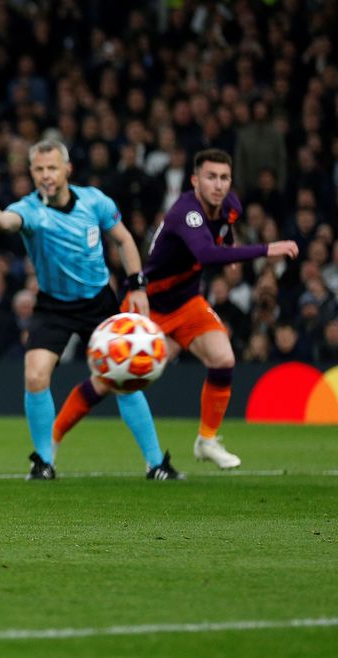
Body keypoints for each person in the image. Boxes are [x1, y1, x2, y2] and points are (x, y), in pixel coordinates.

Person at [51, 149, 299, 469]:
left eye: (224, 178)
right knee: (108, 381)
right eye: (211, 177)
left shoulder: (231, 207)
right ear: (195, 181)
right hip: (148, 305)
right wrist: (267, 249)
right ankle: (52, 440)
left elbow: (223, 237)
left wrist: (230, 250)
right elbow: (207, 254)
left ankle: (207, 440)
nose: (218, 185)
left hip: (187, 301)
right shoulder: (186, 212)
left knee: (223, 358)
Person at [0, 139, 180, 480]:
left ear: (67, 170)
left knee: (125, 379)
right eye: (39, 169)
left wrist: (136, 284)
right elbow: (5, 222)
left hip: (98, 302)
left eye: (52, 168)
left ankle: (156, 463)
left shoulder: (95, 201)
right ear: (31, 173)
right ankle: (44, 462)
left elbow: (123, 239)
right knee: (35, 375)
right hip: (53, 306)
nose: (46, 175)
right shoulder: (30, 209)